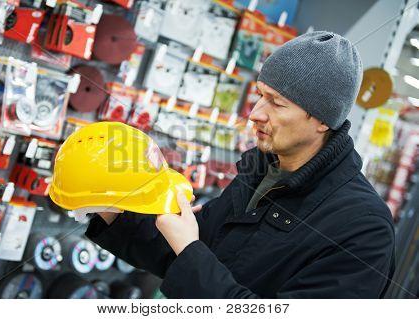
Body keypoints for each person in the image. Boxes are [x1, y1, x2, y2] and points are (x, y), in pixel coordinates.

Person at [86, 31, 395, 298]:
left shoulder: (363, 230)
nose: (256, 113)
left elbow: (192, 255)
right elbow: (177, 254)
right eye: (260, 95)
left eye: (276, 103)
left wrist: (191, 252)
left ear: (323, 121)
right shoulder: (261, 173)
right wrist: (109, 208)